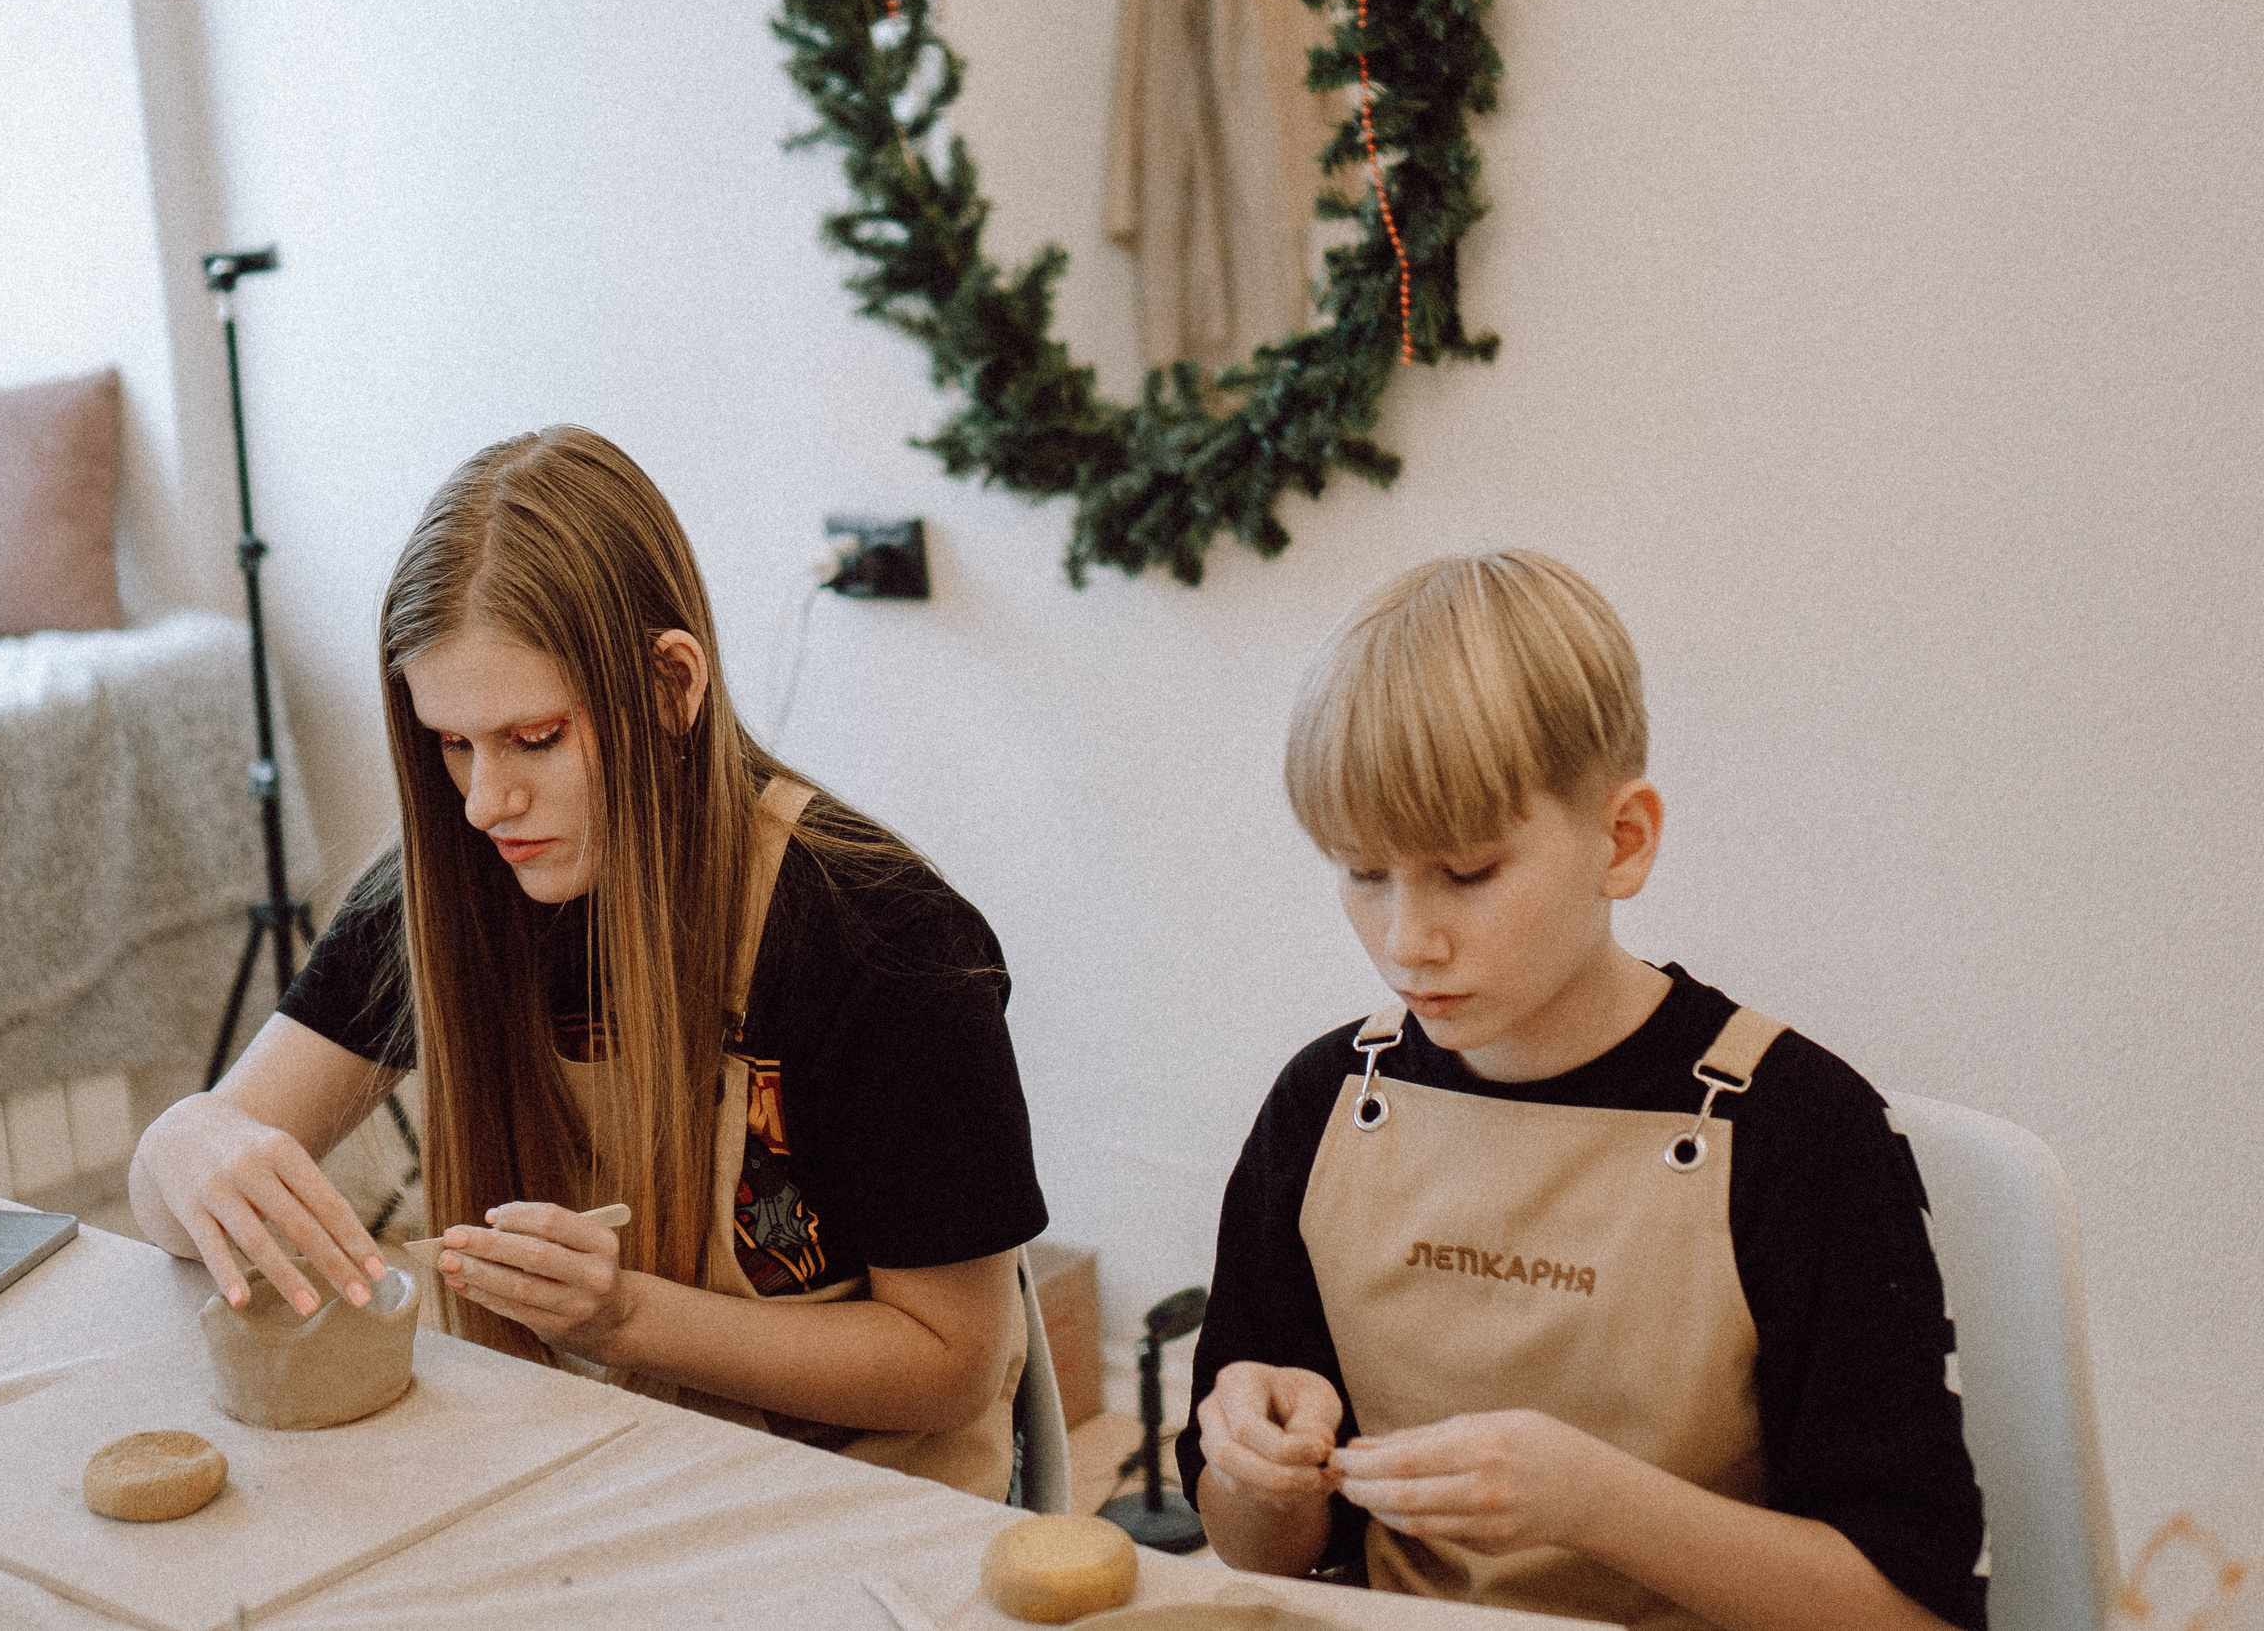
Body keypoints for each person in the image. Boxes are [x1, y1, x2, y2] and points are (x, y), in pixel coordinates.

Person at [129, 426, 1046, 1497]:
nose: (484, 803)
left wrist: (629, 1317)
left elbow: (951, 1365)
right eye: (453, 744)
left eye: (534, 739)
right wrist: (191, 1139)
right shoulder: (445, 889)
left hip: (857, 1508)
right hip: (590, 1477)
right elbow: (170, 1203)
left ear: (669, 685)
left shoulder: (883, 942)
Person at [1180, 551, 1988, 1629]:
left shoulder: (1799, 1132)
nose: (1406, 940)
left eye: (1468, 872)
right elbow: (1263, 1555)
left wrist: (1593, 1500)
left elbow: (1907, 1610)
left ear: (1622, 839)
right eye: (1362, 873)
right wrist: (1249, 1470)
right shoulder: (1323, 1101)